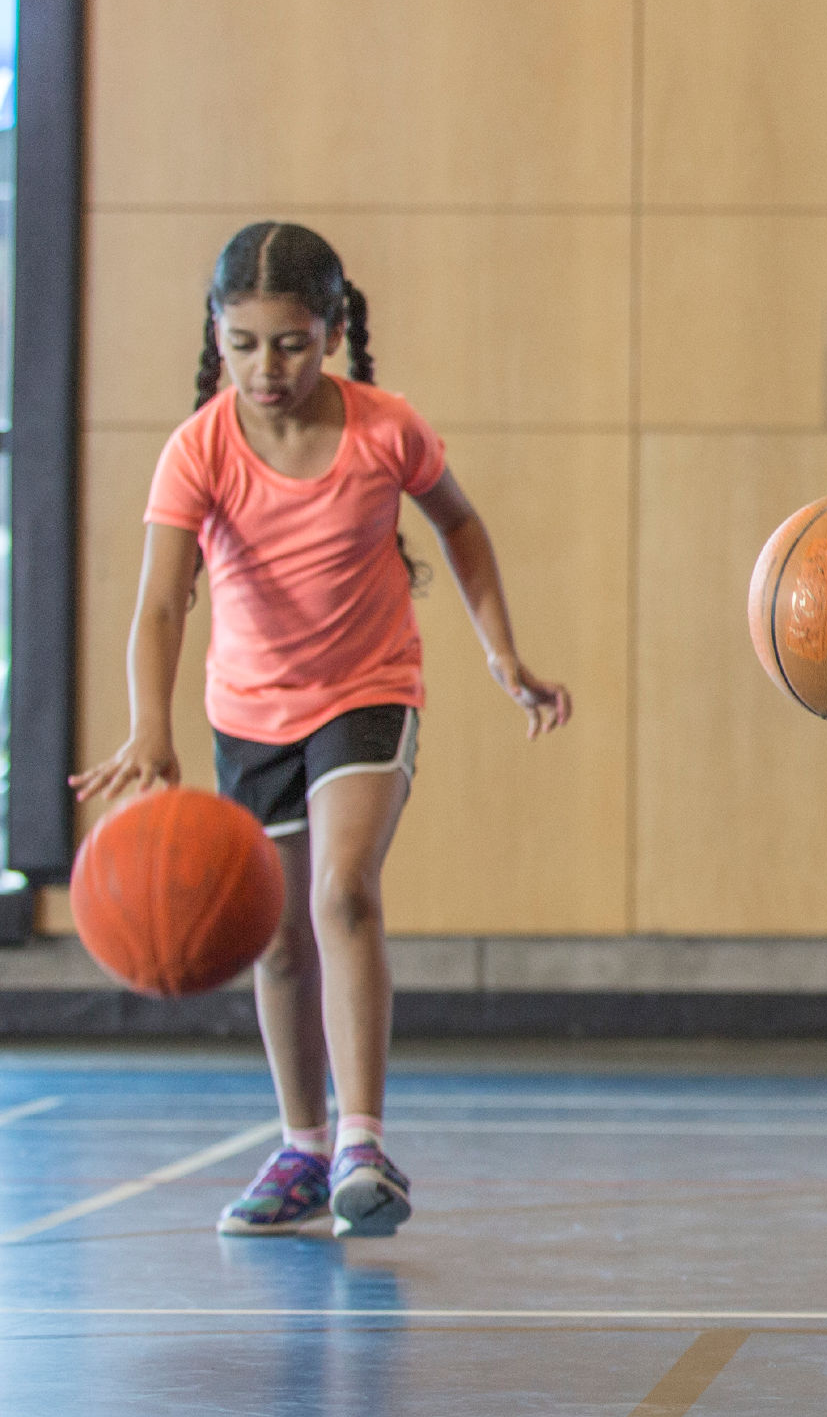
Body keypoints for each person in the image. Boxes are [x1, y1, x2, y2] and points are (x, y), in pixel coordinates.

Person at [71, 222, 572, 1238]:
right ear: (217, 335)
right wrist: (148, 729)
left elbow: (459, 524)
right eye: (245, 342)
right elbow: (163, 604)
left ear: (334, 330)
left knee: (342, 891)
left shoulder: (386, 429)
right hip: (248, 713)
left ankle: (361, 1142)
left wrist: (500, 652)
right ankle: (300, 1146)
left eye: (291, 342)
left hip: (367, 692)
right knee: (276, 934)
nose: (267, 365)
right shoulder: (199, 449)